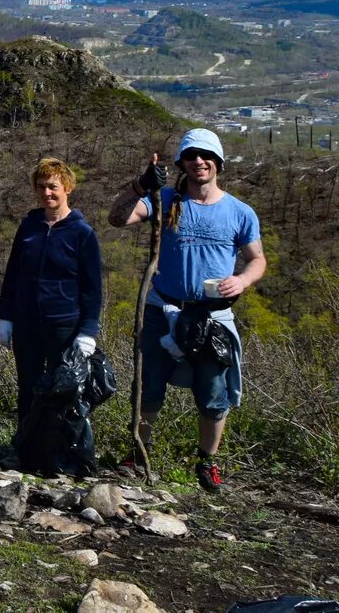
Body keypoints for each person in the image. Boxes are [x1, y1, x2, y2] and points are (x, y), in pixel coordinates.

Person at [108, 128, 265, 492]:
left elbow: (257, 260)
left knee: (213, 393)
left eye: (206, 156)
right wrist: (138, 186)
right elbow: (118, 219)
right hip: (163, 309)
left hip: (212, 317)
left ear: (218, 163)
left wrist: (242, 281)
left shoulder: (240, 213)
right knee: (149, 386)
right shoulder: (165, 200)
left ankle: (207, 462)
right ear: (182, 163)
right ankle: (139, 453)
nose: (199, 162)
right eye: (191, 156)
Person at [0, 157, 103, 452]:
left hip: (65, 324)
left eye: (53, 187)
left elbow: (93, 288)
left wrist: (88, 331)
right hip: (27, 322)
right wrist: (5, 316)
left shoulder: (82, 233)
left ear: (67, 188)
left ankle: (58, 452)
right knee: (28, 387)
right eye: (41, 187)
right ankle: (26, 448)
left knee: (63, 389)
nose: (47, 193)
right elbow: (13, 272)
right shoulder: (29, 226)